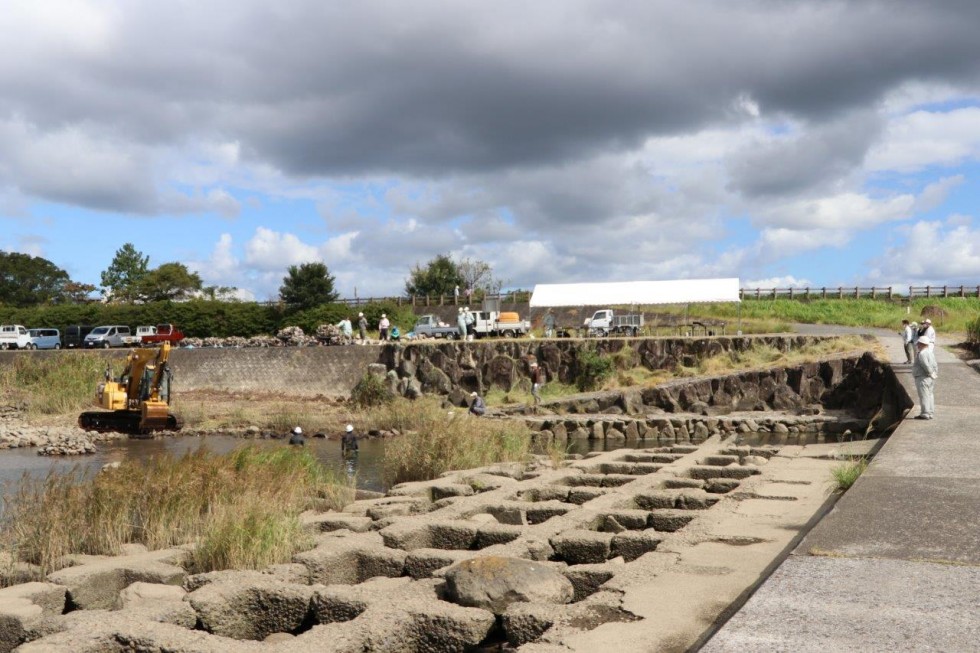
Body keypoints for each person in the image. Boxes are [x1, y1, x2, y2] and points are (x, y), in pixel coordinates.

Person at [911, 337, 938, 420]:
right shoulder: (930, 352)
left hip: (923, 377)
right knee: (930, 394)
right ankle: (930, 412)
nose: (917, 345)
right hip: (930, 377)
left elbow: (925, 365)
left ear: (922, 344)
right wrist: (934, 373)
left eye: (918, 343)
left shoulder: (922, 353)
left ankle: (925, 413)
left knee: (924, 395)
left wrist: (930, 373)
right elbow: (935, 364)